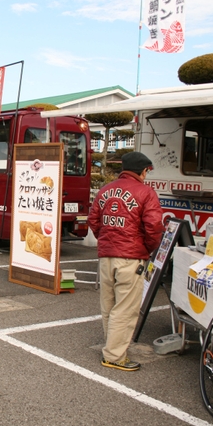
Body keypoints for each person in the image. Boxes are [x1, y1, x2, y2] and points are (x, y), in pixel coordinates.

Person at [88, 151, 164, 371]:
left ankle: (112, 345)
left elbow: (94, 220)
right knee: (126, 308)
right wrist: (147, 248)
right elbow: (154, 227)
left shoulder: (105, 190)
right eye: (147, 171)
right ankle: (114, 355)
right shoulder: (146, 192)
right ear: (142, 170)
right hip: (131, 257)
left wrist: (105, 239)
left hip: (106, 256)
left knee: (109, 305)